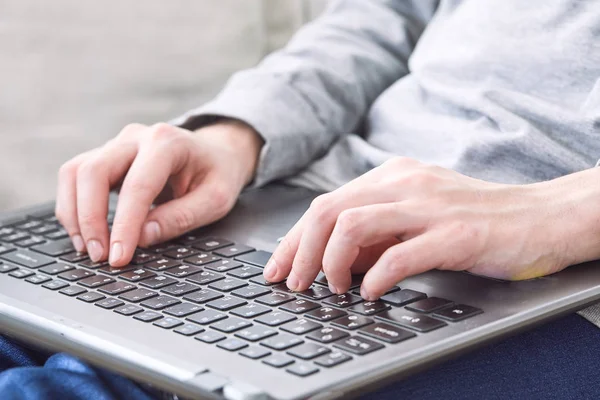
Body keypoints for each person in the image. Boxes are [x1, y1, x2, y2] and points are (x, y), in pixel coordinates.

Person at [4, 0, 600, 398]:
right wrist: (237, 133)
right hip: (305, 206)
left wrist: (569, 210)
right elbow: (384, 14)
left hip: (549, 293)